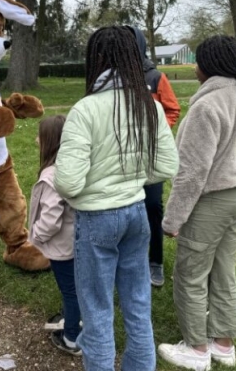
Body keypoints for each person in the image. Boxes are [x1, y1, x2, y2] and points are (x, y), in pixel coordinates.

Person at [54, 26, 179, 371]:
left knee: (96, 312)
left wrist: (95, 188)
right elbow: (167, 164)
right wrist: (132, 179)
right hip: (136, 215)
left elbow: (66, 181)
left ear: (95, 60)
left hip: (97, 219)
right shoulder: (148, 106)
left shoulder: (85, 110)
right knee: (138, 305)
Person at [157, 35, 236, 370]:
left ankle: (197, 349)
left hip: (211, 200)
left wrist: (172, 220)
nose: (195, 66)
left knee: (190, 274)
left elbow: (191, 173)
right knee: (223, 271)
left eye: (198, 60)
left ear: (208, 66)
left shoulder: (206, 106)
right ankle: (224, 344)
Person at [128, 26, 181, 287]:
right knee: (126, 206)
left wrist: (157, 132)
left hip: (151, 157)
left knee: (151, 206)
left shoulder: (156, 77)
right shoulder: (114, 78)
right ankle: (128, 258)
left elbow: (172, 108)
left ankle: (155, 261)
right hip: (124, 156)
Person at [28, 115, 81, 357]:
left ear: (50, 140)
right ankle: (73, 318)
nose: (36, 139)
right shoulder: (73, 166)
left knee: (70, 290)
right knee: (76, 287)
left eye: (40, 135)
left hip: (62, 247)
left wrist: (36, 236)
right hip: (77, 242)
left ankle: (71, 337)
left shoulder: (51, 176)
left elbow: (50, 218)